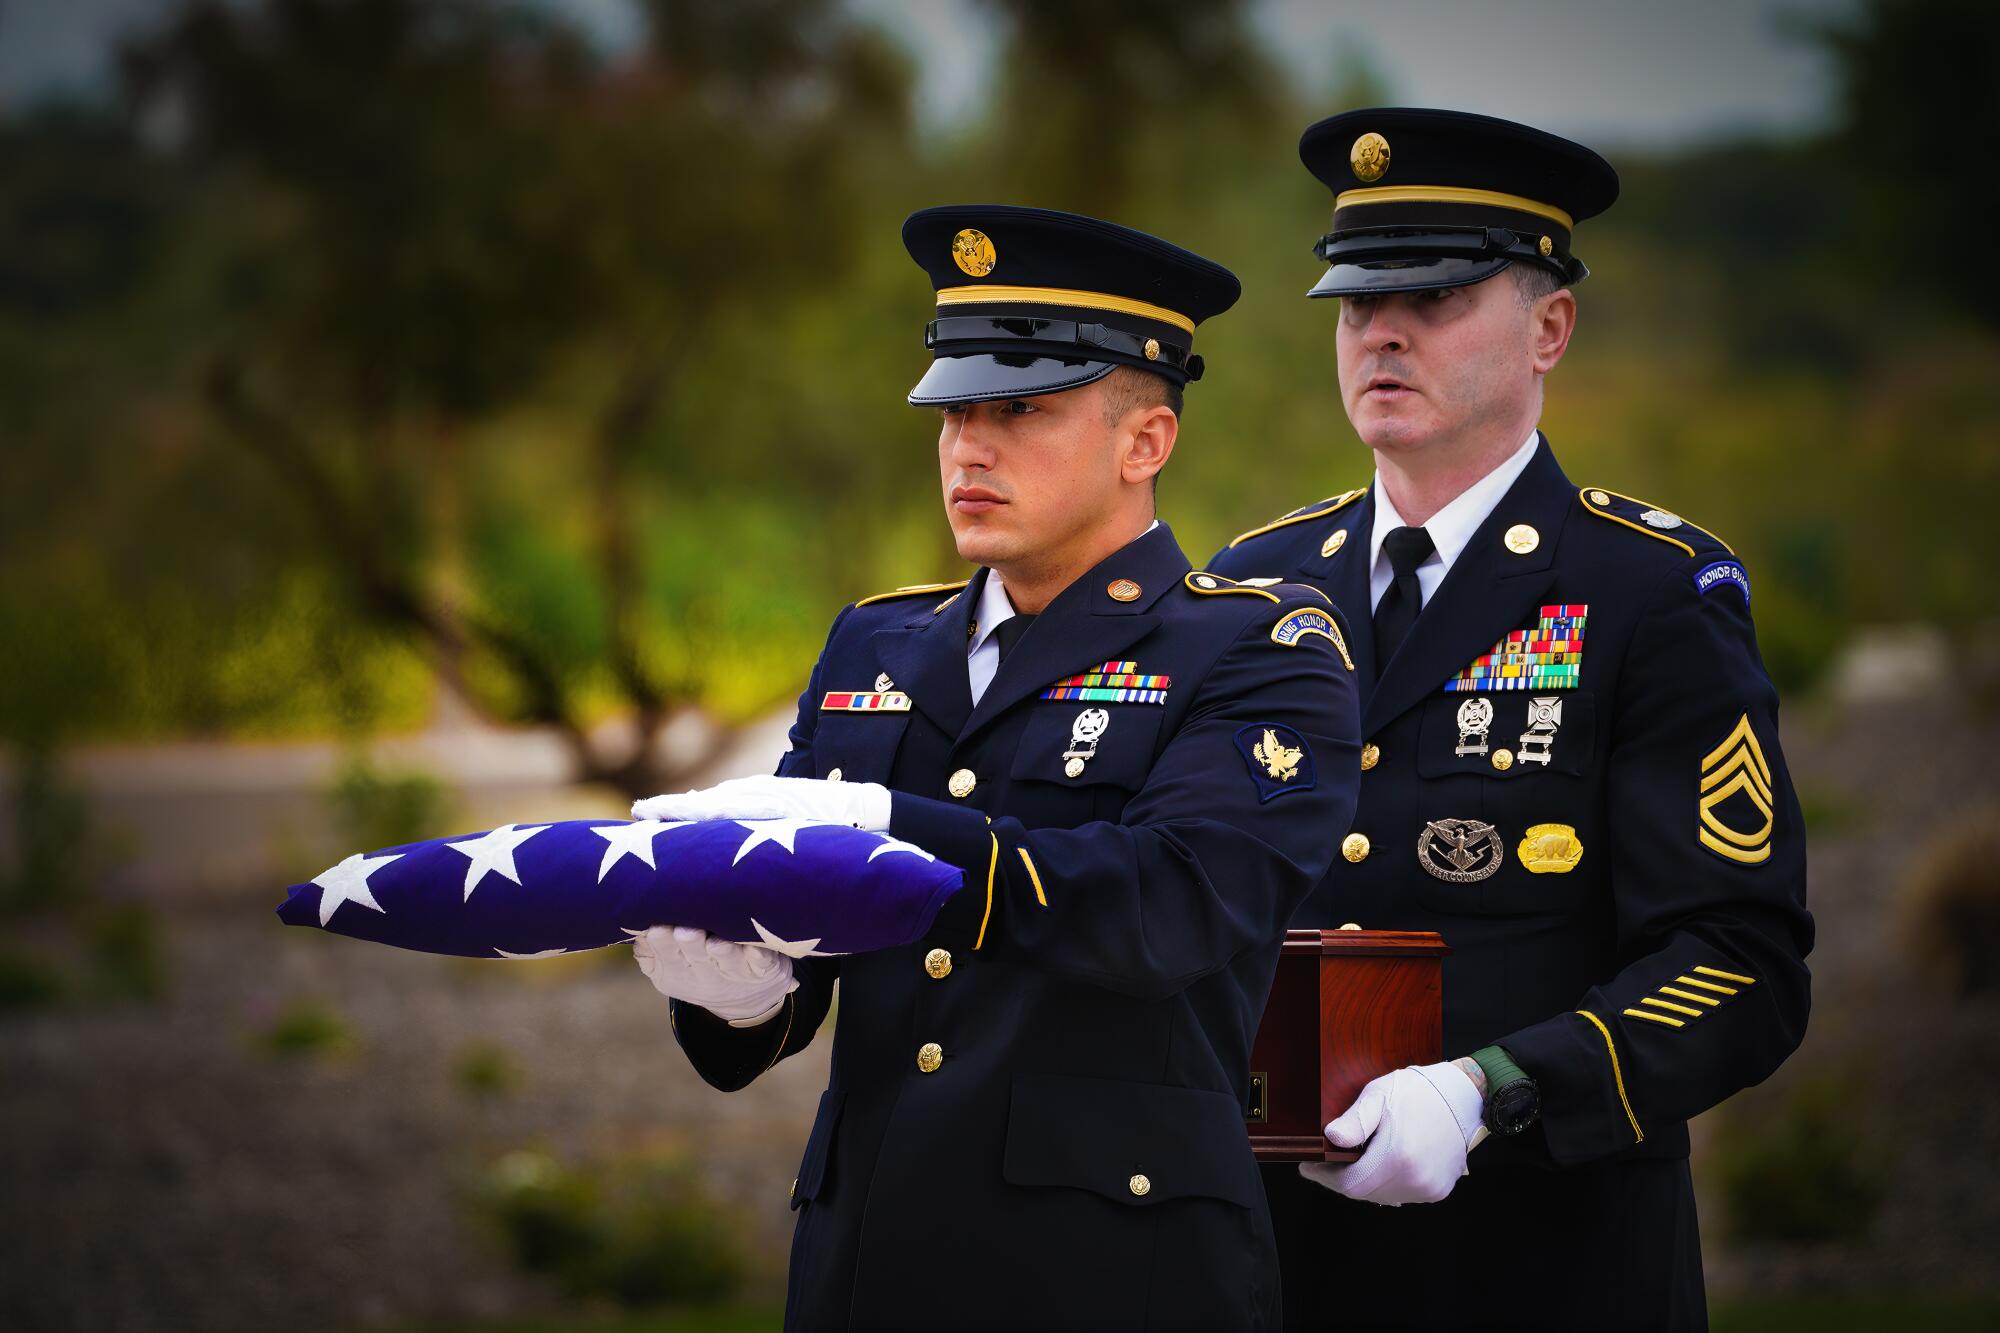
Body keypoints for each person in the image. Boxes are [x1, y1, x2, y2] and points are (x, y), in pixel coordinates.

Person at [628, 204, 1363, 1331]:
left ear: (1144, 442)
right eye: (953, 410)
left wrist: (884, 828)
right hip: (868, 1263)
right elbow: (793, 996)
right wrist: (731, 991)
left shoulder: (1259, 649)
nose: (969, 446)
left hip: (1113, 1276)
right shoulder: (873, 645)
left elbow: (1163, 905)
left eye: (1021, 410)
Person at [1208, 109, 1814, 1331]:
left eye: (1432, 296)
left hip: (1541, 1260)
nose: (1380, 328)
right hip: (1275, 1263)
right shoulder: (1254, 589)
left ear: (1549, 327)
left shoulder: (1647, 591)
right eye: (1355, 299)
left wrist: (1493, 1092)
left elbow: (1737, 963)